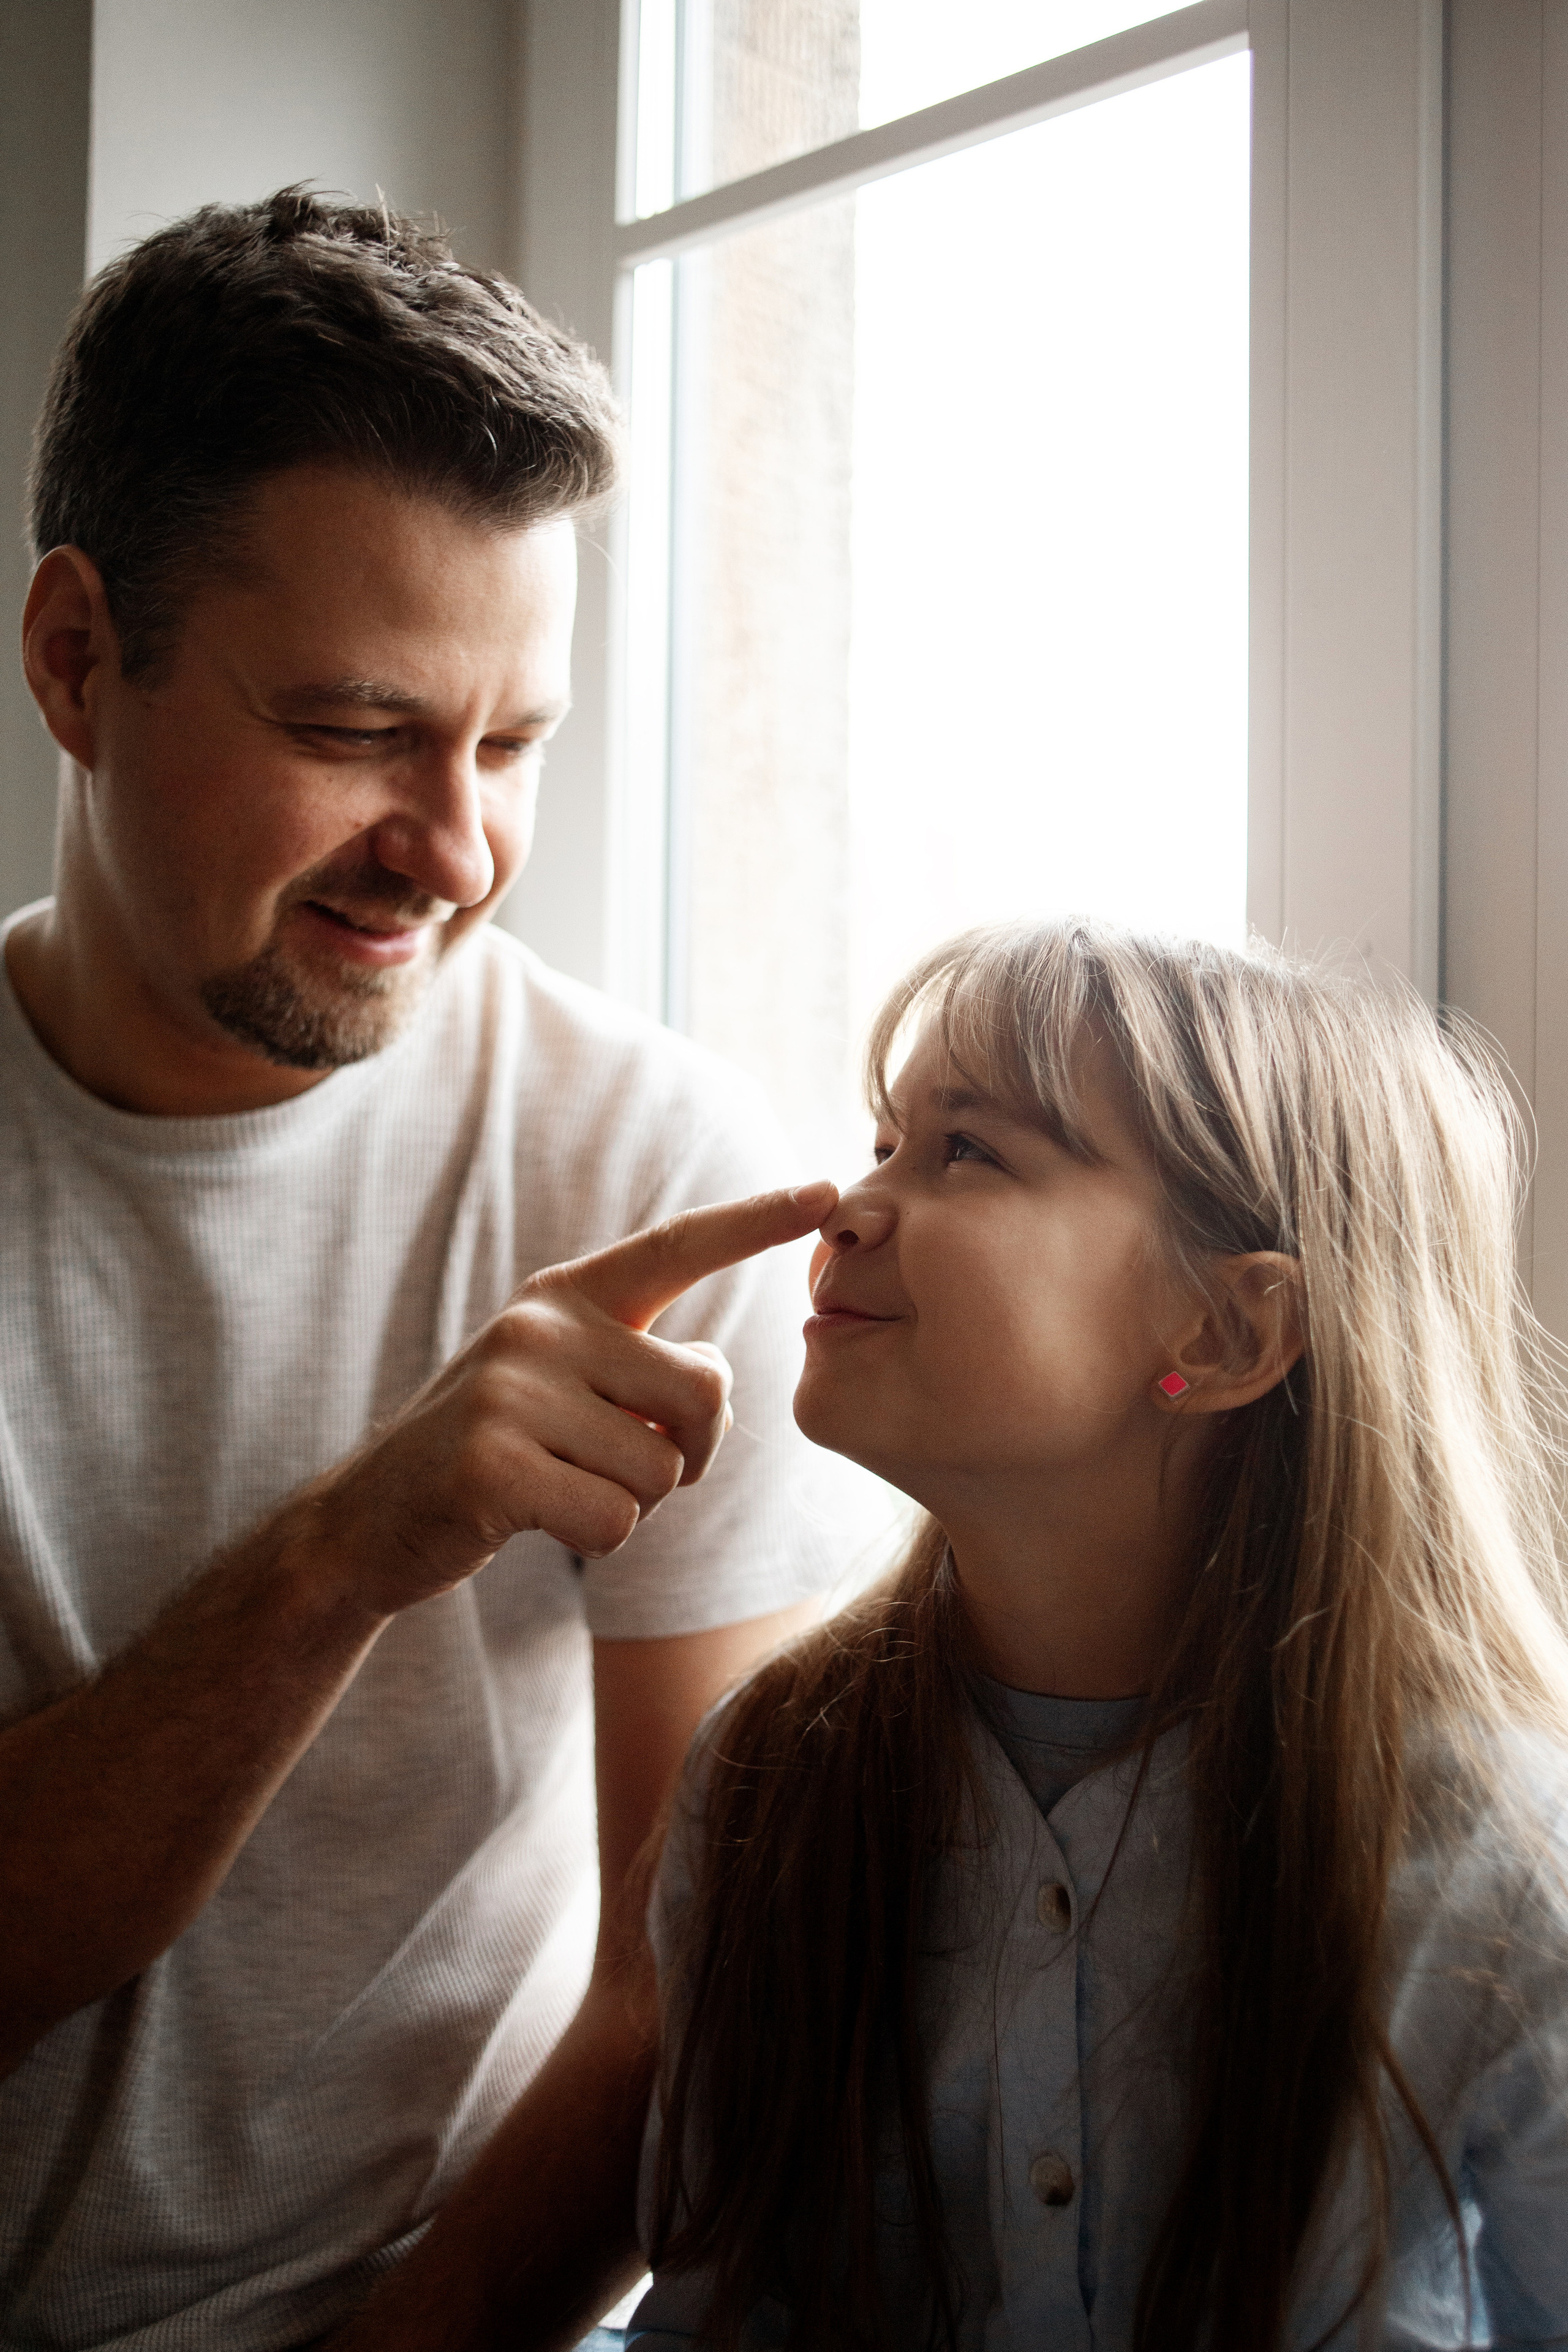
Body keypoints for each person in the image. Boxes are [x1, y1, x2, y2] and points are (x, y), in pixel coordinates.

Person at [0, 187, 845, 2351]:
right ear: (78, 662)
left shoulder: (651, 1171)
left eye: (515, 745)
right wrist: (345, 1556)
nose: (457, 851)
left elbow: (690, 1986)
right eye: (361, 731)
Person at [627, 919, 1568, 2351]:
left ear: (1231, 1329)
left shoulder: (1504, 1870)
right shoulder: (768, 1777)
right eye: (882, 1141)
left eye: (965, 1153)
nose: (845, 1207)